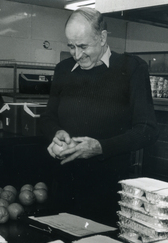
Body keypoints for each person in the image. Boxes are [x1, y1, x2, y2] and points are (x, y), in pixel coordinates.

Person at [38, 8, 159, 226]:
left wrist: (101, 147)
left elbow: (147, 130)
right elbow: (48, 117)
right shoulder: (63, 70)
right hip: (64, 187)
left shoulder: (131, 68)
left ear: (102, 38)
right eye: (71, 46)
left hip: (108, 192)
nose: (76, 54)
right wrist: (55, 133)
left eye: (83, 46)